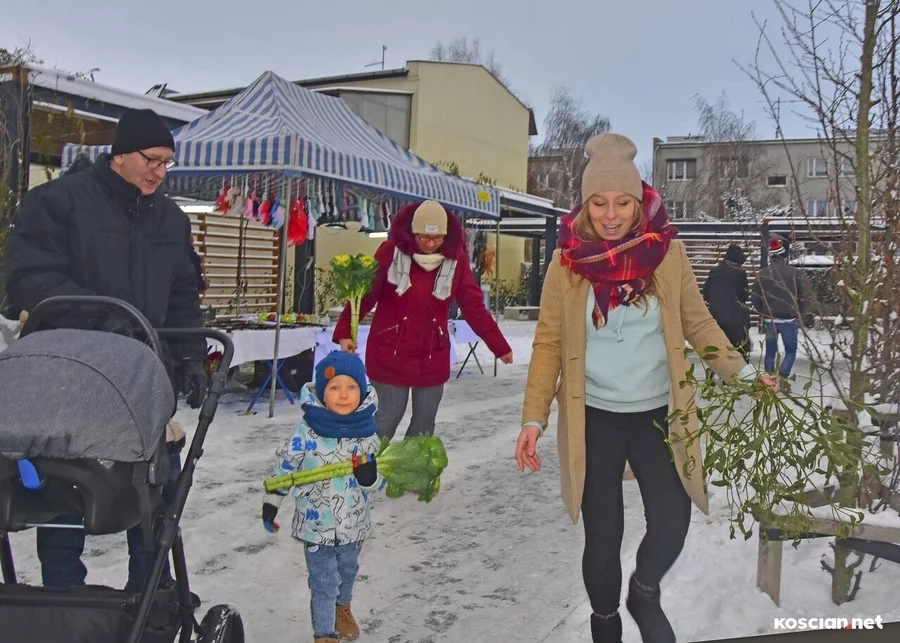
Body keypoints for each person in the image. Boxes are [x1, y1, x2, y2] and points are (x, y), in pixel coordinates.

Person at [514, 133, 778, 643]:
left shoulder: (668, 254)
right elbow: (548, 343)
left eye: (622, 202)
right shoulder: (566, 264)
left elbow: (698, 324)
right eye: (599, 203)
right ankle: (605, 622)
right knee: (603, 533)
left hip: (659, 413)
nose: (611, 215)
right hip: (595, 417)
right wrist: (533, 417)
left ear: (639, 203)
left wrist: (745, 375)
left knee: (673, 519)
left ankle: (644, 589)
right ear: (585, 205)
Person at [4, 108, 207, 591]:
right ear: (119, 155)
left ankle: (150, 594)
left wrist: (192, 355)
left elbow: (182, 293)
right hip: (67, 378)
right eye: (151, 159)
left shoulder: (170, 219)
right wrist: (100, 317)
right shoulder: (58, 203)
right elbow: (29, 277)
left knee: (154, 484)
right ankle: (63, 597)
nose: (160, 171)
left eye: (166, 162)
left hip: (140, 378)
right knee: (65, 486)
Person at [334, 200, 513, 440]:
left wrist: (499, 345)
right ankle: (365, 463)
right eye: (424, 237)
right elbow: (363, 296)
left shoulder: (456, 259)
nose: (430, 244)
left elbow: (473, 306)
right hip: (390, 351)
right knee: (388, 417)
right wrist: (346, 330)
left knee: (424, 425)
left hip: (431, 354)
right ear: (413, 232)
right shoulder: (390, 253)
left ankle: (410, 465)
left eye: (437, 238)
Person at [261, 351, 385, 643]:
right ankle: (325, 634)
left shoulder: (368, 434)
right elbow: (286, 468)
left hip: (354, 525)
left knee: (348, 572)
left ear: (362, 391)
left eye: (351, 387)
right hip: (315, 527)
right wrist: (271, 502)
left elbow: (380, 483)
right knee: (323, 582)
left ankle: (343, 607)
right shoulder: (306, 432)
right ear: (321, 392)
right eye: (334, 387)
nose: (343, 394)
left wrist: (370, 478)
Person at [751, 236, 812, 389]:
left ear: (771, 257)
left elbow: (755, 297)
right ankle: (783, 377)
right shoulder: (795, 273)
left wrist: (762, 312)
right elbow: (803, 296)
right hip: (789, 319)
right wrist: (801, 312)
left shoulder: (762, 274)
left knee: (770, 350)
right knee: (790, 350)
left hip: (769, 318)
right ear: (784, 256)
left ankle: (770, 379)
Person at [702, 243, 751, 361]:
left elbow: (706, 293)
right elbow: (744, 296)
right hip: (735, 319)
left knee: (718, 347)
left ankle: (716, 368)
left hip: (716, 317)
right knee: (737, 349)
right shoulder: (740, 274)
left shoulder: (714, 271)